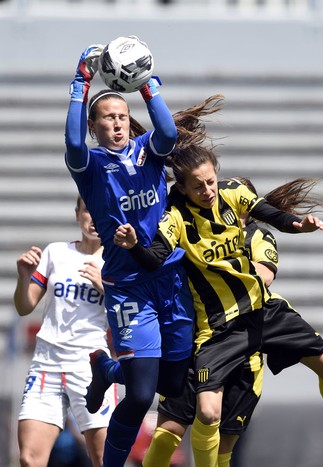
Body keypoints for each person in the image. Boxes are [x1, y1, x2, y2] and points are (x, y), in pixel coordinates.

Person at [112, 94, 323, 466]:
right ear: (181, 187)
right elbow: (154, 258)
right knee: (207, 413)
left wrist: (299, 224)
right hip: (218, 328)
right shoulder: (176, 217)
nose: (208, 190)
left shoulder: (234, 193)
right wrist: (135, 246)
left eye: (211, 181)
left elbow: (271, 215)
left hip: (264, 311)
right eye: (198, 186)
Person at [65, 44, 195, 467]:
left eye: (122, 116)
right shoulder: (90, 164)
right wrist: (81, 83)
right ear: (94, 126)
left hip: (170, 277)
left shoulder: (147, 151)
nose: (118, 123)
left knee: (172, 384)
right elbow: (70, 139)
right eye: (108, 117)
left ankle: (107, 370)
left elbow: (170, 135)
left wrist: (147, 85)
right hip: (129, 290)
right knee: (141, 396)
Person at [141, 176, 322, 467]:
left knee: (226, 443)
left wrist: (221, 266)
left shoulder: (257, 236)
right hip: (192, 342)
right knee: (168, 431)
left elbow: (264, 276)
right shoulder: (193, 229)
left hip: (241, 351)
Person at [13, 196, 116, 467]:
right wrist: (23, 278)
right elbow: (25, 306)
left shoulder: (117, 261)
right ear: (77, 214)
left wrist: (106, 287)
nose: (93, 219)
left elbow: (131, 312)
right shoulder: (55, 253)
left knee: (104, 458)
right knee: (29, 458)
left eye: (101, 212)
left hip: (90, 365)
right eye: (87, 211)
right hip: (47, 363)